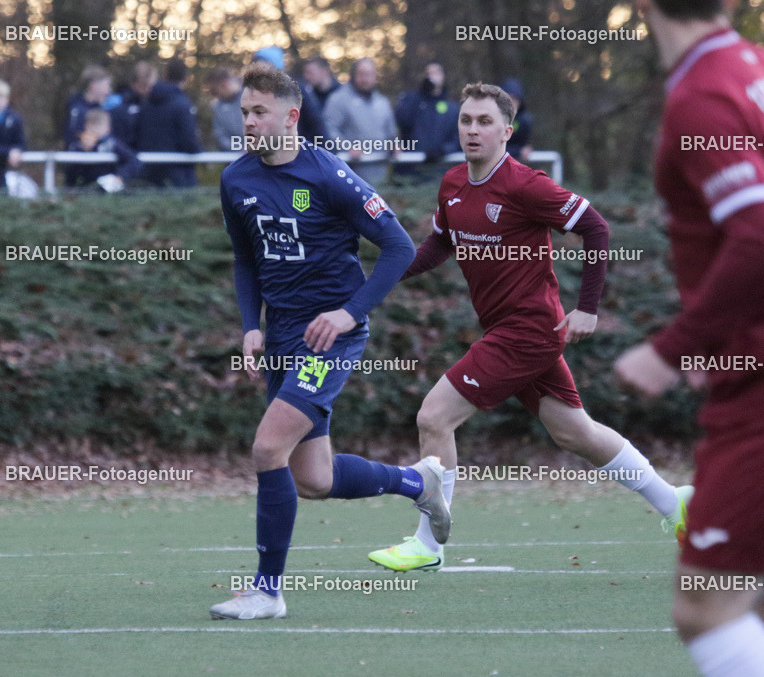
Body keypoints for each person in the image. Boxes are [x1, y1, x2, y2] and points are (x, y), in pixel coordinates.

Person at [368, 82, 690, 574]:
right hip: (508, 330)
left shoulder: (525, 185)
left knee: (434, 418)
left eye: (484, 123)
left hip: (527, 331)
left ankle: (427, 545)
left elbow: (596, 227)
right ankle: (675, 503)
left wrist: (587, 308)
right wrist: (380, 274)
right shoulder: (453, 183)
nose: (472, 130)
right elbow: (438, 245)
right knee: (574, 432)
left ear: (506, 132)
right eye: (466, 121)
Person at [210, 61, 448, 621]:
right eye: (244, 111)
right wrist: (250, 324)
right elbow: (246, 259)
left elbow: (398, 250)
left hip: (328, 337)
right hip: (283, 336)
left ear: (291, 117)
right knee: (313, 478)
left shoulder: (330, 175)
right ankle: (418, 481)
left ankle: (267, 592)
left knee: (268, 448)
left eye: (259, 112)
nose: (248, 121)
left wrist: (348, 314)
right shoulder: (235, 179)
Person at [615, 1, 764, 677]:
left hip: (762, 390)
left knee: (704, 607)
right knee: (762, 600)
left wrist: (670, 347)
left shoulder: (702, 96)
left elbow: (762, 231)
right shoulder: (759, 71)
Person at [322, 58, 399, 185]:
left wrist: (394, 146)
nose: (365, 79)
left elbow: (391, 133)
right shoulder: (338, 99)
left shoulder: (382, 102)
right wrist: (347, 147)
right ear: (354, 76)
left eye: (369, 74)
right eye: (362, 74)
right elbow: (328, 129)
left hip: (380, 176)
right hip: (348, 176)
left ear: (375, 77)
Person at [135, 58, 200, 188]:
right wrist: (197, 150)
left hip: (148, 174)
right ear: (186, 78)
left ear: (165, 75)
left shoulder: (145, 103)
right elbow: (190, 141)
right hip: (178, 177)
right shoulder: (182, 104)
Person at [394, 61, 461, 180]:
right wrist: (420, 95)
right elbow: (401, 121)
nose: (432, 76)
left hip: (439, 172)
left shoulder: (453, 109)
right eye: (428, 73)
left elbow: (457, 138)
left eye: (435, 72)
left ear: (443, 76)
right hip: (410, 172)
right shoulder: (412, 101)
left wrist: (442, 151)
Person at [252, 47, 327, 142]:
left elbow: (315, 123)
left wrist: (322, 151)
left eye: (262, 62)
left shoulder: (296, 89)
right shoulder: (254, 91)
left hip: (299, 149)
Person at [64, 109, 141, 191]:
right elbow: (70, 170)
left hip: (106, 189)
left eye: (98, 126)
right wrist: (83, 150)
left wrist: (120, 175)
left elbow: (134, 161)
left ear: (107, 128)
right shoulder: (77, 145)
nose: (94, 129)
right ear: (85, 127)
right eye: (91, 125)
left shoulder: (112, 144)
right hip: (84, 189)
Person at [63, 64, 121, 149]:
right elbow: (71, 138)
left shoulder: (105, 109)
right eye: (106, 86)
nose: (109, 91)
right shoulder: (76, 110)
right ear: (93, 86)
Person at [111, 61, 158, 152]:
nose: (148, 90)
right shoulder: (121, 107)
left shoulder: (159, 105)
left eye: (152, 86)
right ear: (134, 85)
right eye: (144, 86)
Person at [204, 67, 243, 151]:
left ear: (224, 85)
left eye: (214, 91)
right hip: (233, 158)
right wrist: (239, 149)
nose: (214, 95)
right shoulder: (217, 107)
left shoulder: (252, 95)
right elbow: (221, 136)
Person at [502, 78, 533, 163]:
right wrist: (518, 151)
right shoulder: (493, 119)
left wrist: (523, 151)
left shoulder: (524, 121)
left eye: (515, 99)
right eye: (509, 98)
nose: (512, 103)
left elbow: (524, 146)